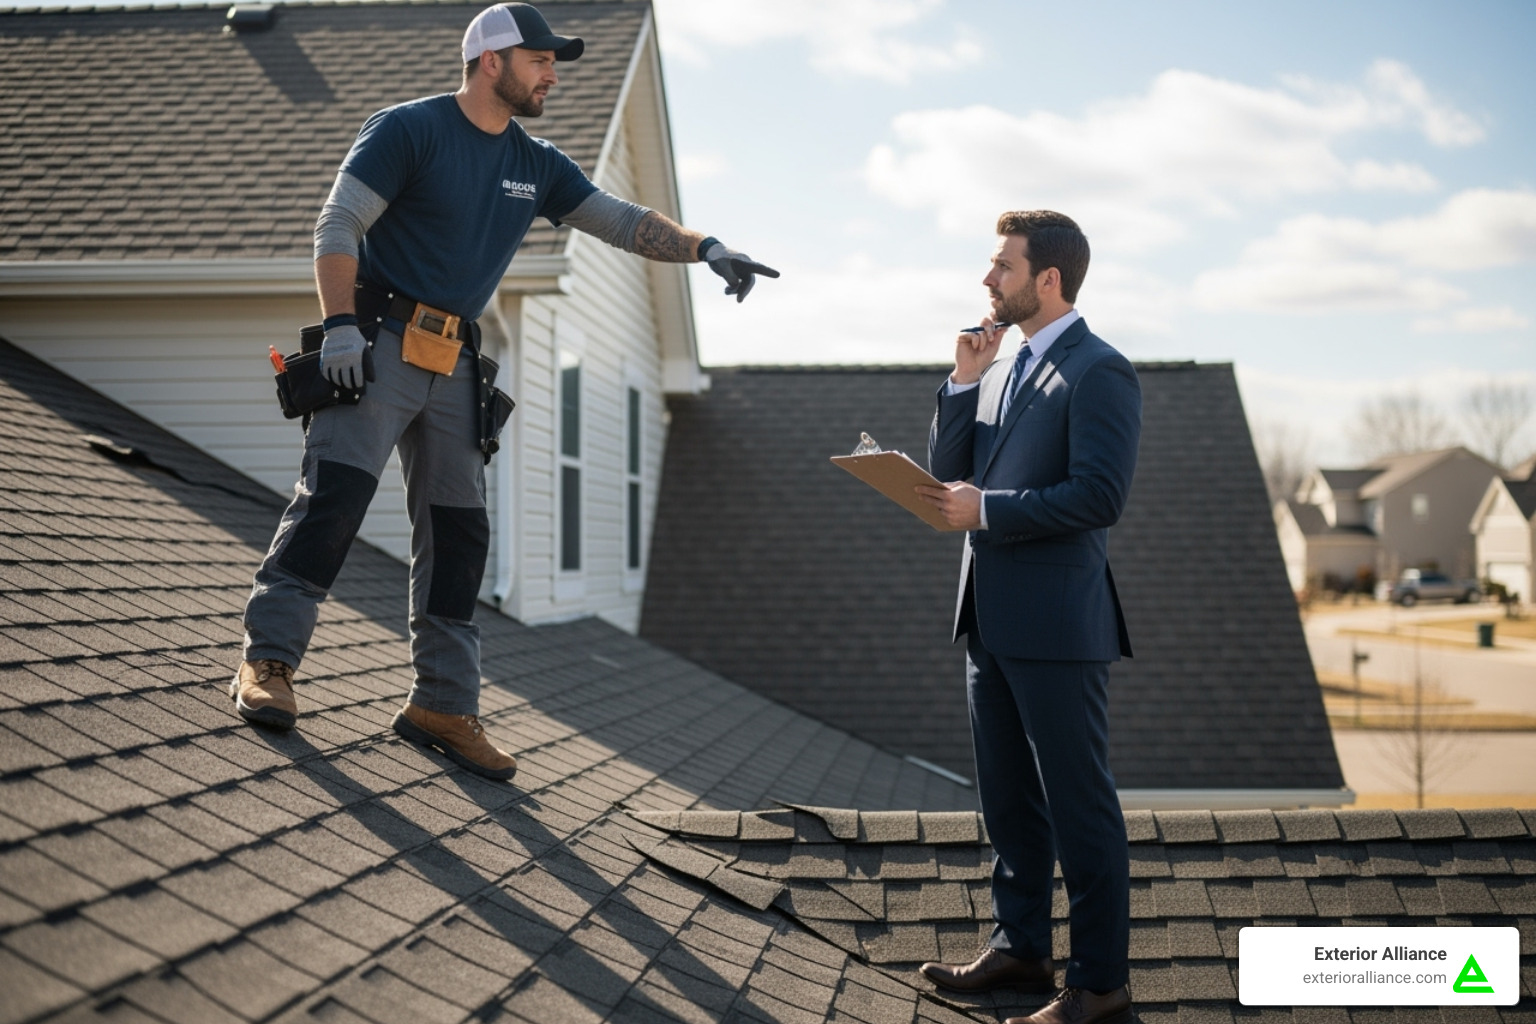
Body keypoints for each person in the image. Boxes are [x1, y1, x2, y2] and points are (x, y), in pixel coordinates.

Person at [229, 2, 777, 781]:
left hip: (455, 356)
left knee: (460, 534)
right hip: (376, 341)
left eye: (554, 62)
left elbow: (623, 220)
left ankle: (443, 704)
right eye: (540, 60)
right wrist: (342, 325)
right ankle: (268, 662)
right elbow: (338, 223)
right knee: (335, 499)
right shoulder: (409, 129)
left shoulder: (536, 163)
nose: (553, 75)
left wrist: (707, 248)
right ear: (492, 61)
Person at [915, 211, 1140, 1024]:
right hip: (987, 618)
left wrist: (990, 508)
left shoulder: (1100, 371)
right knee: (1008, 799)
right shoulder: (1004, 367)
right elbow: (949, 478)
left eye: (1002, 266)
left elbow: (1099, 496)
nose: (988, 279)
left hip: (1057, 626)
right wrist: (964, 380)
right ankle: (1021, 948)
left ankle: (1100, 985)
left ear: (1048, 279)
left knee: (1080, 807)